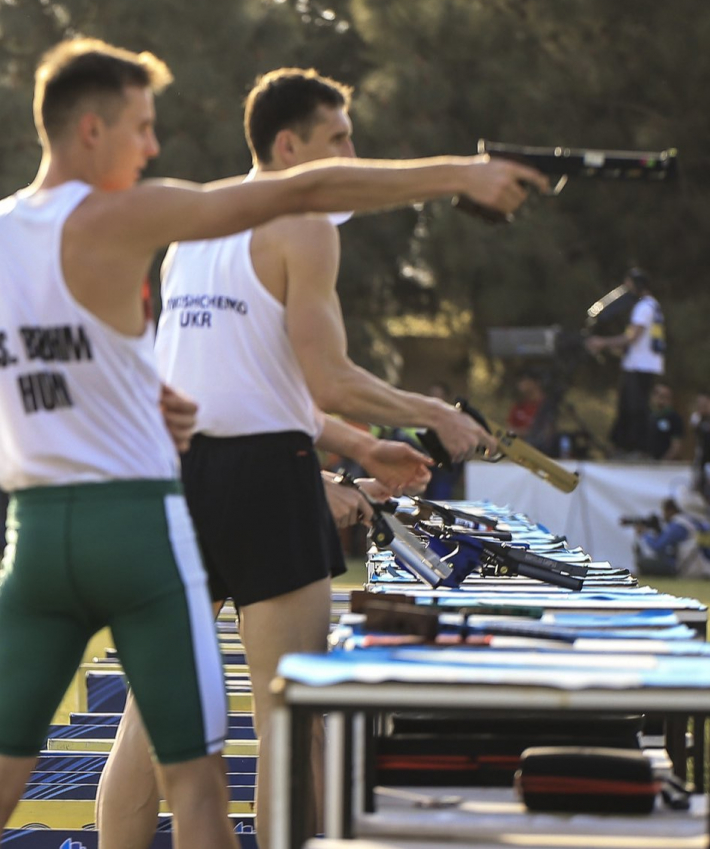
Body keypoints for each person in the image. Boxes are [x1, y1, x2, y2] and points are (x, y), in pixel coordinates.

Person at [0, 40, 542, 849]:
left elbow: (52, 364)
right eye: (141, 129)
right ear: (90, 130)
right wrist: (460, 175)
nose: (153, 148)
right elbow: (311, 192)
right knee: (214, 772)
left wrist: (152, 400)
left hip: (39, 538)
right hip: (136, 528)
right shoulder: (130, 216)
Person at [99, 67, 502, 848]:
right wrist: (433, 414)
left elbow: (236, 383)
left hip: (176, 480)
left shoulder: (195, 230)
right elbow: (328, 376)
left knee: (148, 728)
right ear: (289, 147)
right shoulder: (305, 225)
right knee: (291, 727)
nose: (355, 155)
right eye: (340, 140)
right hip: (261, 483)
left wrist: (355, 447)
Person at [587, 268, 663, 455]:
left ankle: (634, 447)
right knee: (631, 406)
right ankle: (627, 445)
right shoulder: (652, 306)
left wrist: (603, 342)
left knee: (634, 408)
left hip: (640, 365)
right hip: (644, 363)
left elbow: (633, 336)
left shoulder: (644, 307)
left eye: (629, 285)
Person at [632, 497, 710, 580]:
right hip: (706, 566)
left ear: (671, 510)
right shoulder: (698, 522)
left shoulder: (678, 525)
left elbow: (658, 547)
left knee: (643, 562)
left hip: (687, 568)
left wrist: (644, 534)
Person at [646, 383, 683, 460]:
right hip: (648, 462)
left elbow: (676, 445)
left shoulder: (674, 418)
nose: (662, 400)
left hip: (666, 465)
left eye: (666, 397)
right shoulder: (648, 416)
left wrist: (664, 461)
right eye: (659, 396)